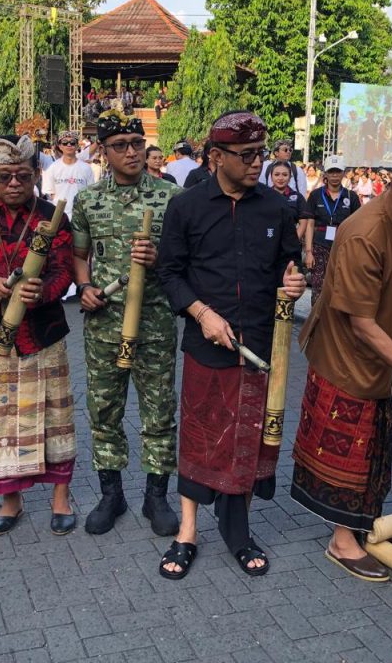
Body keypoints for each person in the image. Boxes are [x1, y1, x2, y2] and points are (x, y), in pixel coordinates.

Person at [290, 146, 392, 582]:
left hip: (384, 348)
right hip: (346, 354)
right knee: (352, 447)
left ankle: (359, 528)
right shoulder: (364, 232)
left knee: (375, 443)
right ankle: (341, 541)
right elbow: (360, 322)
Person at [155, 110, 306, 579]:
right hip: (207, 345)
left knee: (245, 439)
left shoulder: (276, 208)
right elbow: (169, 273)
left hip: (261, 346)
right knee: (200, 436)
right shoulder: (186, 206)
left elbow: (291, 265)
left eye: (261, 153)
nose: (258, 163)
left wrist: (295, 282)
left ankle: (238, 533)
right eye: (246, 156)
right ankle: (187, 533)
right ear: (216, 157)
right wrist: (201, 314)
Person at [0, 134, 77, 536]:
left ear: (37, 174)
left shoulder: (52, 215)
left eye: (23, 175)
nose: (15, 183)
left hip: (43, 333)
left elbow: (65, 270)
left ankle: (61, 499)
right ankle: (10, 502)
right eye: (5, 176)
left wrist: (43, 291)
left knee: (54, 417)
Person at [72, 110, 182, 537]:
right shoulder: (89, 201)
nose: (132, 152)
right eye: (120, 146)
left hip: (154, 321)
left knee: (158, 410)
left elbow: (183, 262)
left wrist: (161, 260)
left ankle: (156, 496)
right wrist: (84, 287)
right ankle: (110, 493)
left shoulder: (170, 199)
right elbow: (80, 257)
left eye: (137, 144)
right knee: (104, 409)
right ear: (104, 152)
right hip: (104, 322)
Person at [303, 155, 360, 306]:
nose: (334, 176)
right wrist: (309, 252)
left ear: (344, 173)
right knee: (318, 288)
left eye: (338, 172)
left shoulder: (351, 196)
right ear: (325, 174)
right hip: (319, 246)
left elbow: (357, 226)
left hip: (343, 248)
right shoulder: (316, 195)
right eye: (331, 172)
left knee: (340, 287)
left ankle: (334, 326)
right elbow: (309, 224)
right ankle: (316, 325)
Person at [41, 130, 94, 217]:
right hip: (59, 217)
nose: (69, 145)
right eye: (65, 142)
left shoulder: (86, 168)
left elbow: (91, 193)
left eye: (72, 142)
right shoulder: (53, 168)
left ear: (77, 146)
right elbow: (49, 193)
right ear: (60, 146)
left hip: (81, 217)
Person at [267, 160, 310, 242]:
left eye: (285, 175)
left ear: (290, 177)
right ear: (271, 177)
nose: (280, 178)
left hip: (290, 241)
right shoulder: (264, 196)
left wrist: (293, 242)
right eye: (276, 174)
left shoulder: (298, 197)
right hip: (268, 241)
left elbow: (303, 222)